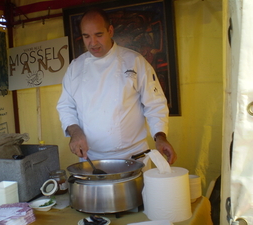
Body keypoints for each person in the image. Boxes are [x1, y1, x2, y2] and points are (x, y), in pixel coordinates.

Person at [57, 8, 177, 164]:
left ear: (110, 31)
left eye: (98, 35)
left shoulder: (135, 61)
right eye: (86, 36)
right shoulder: (75, 67)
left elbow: (155, 104)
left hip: (133, 156)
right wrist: (75, 131)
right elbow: (66, 106)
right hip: (92, 158)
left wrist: (160, 137)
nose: (92, 43)